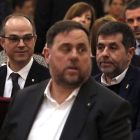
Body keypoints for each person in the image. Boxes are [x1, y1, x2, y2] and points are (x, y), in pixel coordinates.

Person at [0, 20, 132, 140]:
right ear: (47, 55)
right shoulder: (23, 99)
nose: (74, 56)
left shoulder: (111, 108)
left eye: (82, 49)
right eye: (66, 49)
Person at [94, 21, 140, 140]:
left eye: (113, 48)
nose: (104, 54)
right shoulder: (88, 85)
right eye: (100, 47)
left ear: (129, 53)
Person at [0, 13, 50, 98]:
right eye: (14, 39)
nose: (21, 44)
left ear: (34, 40)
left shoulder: (49, 80)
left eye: (27, 38)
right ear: (2, 43)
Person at [34, 0, 104, 53]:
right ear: (70, 18)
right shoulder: (54, 41)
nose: (83, 20)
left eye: (88, 18)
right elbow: (40, 24)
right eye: (78, 16)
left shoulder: (94, 45)